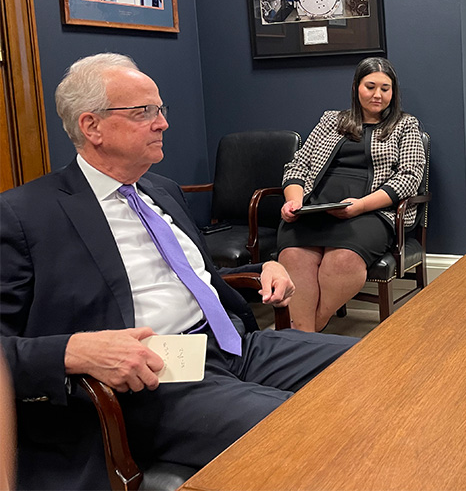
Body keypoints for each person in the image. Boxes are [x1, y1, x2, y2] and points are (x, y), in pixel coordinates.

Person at [0, 53, 357, 490]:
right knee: (317, 425)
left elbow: (193, 277)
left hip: (233, 345)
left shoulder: (161, 189)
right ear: (91, 126)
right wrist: (74, 351)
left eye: (160, 109)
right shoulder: (24, 214)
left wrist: (263, 266)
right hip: (154, 379)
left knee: (376, 366)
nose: (162, 123)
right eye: (143, 112)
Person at [278, 57, 425, 332]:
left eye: (385, 88)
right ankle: (306, 337)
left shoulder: (405, 125)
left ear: (393, 93)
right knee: (294, 256)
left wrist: (359, 207)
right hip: (315, 206)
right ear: (357, 87)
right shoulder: (330, 120)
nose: (377, 95)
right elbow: (298, 164)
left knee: (343, 259)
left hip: (372, 212)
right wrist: (294, 199)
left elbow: (409, 177)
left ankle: (309, 329)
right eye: (370, 86)